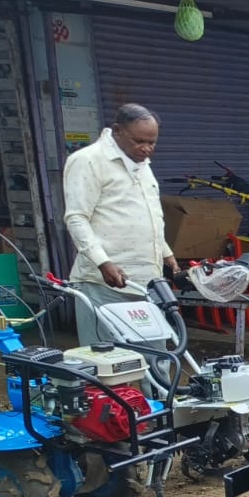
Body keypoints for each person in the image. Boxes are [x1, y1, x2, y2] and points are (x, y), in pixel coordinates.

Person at [63, 104, 177, 345]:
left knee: (157, 359)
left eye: (152, 143)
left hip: (146, 283)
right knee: (109, 362)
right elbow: (76, 218)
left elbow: (147, 214)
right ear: (117, 131)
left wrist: (166, 254)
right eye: (139, 141)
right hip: (102, 283)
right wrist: (103, 262)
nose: (146, 149)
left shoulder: (141, 163)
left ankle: (157, 385)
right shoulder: (88, 161)